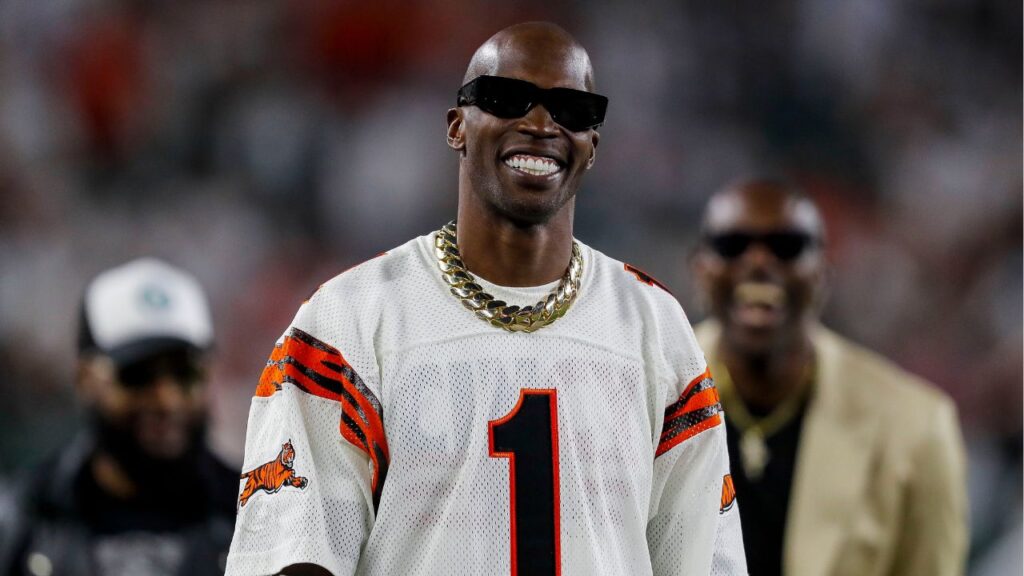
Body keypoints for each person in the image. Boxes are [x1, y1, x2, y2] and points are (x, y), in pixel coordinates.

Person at [226, 22, 747, 576]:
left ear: (593, 144)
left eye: (572, 109)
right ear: (456, 127)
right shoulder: (349, 320)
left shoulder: (653, 327)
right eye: (505, 99)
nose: (541, 124)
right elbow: (293, 557)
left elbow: (703, 559)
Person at [691, 178, 968, 576]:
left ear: (822, 271)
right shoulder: (638, 400)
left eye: (788, 247)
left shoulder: (915, 427)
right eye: (732, 245)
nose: (758, 263)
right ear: (700, 269)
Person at [0, 258, 238, 576]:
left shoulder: (261, 518)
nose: (166, 399)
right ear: (85, 378)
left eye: (185, 374)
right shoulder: (20, 520)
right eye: (138, 375)